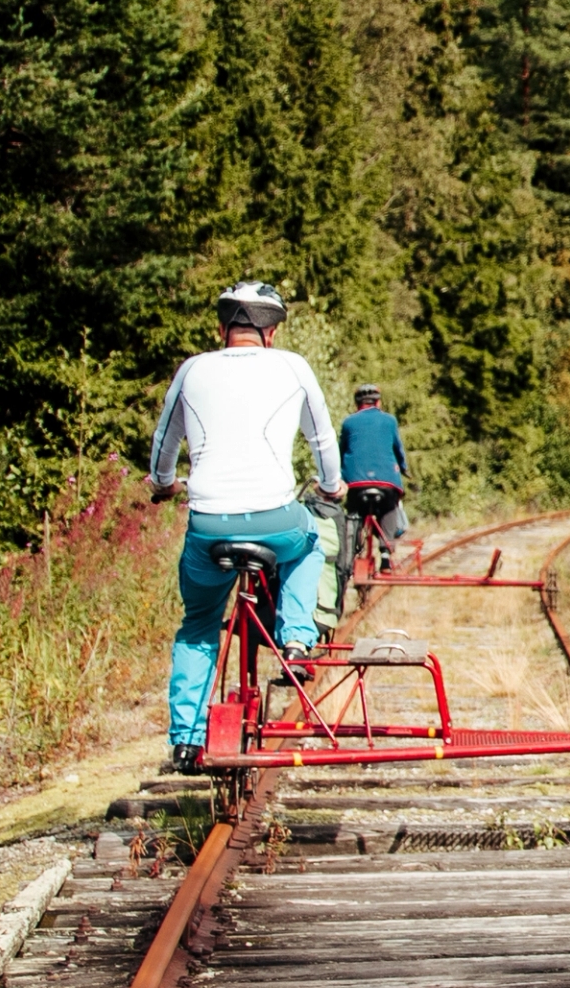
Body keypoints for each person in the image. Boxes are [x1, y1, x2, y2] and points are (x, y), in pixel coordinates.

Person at [148, 282, 342, 773]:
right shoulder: (293, 366)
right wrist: (331, 485)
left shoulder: (192, 369)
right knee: (311, 543)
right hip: (278, 519)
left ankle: (187, 742)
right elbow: (321, 435)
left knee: (197, 626)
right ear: (271, 333)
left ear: (223, 330)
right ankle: (296, 639)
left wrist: (165, 484)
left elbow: (164, 442)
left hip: (209, 525)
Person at [336, 383, 412, 565]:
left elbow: (341, 451)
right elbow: (398, 449)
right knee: (389, 509)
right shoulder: (390, 420)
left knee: (354, 512)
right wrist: (403, 467)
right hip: (386, 481)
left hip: (355, 482)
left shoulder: (348, 422)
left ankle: (352, 552)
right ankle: (386, 554)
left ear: (357, 404)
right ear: (378, 403)